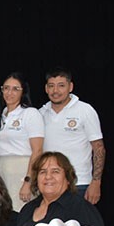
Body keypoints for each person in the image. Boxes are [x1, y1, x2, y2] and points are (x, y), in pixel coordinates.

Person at [39, 67, 105, 204]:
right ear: (46, 88)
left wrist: (96, 182)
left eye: (61, 86)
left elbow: (98, 148)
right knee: (51, 225)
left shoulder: (85, 110)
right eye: (51, 86)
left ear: (70, 86)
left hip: (79, 184)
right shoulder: (40, 113)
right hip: (49, 184)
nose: (55, 91)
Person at [0, 72, 44, 211]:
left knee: (21, 213)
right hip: (2, 170)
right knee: (5, 213)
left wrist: (28, 181)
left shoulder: (30, 113)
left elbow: (37, 150)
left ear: (23, 92)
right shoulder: (1, 116)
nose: (9, 92)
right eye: (6, 88)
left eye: (15, 89)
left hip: (21, 171)